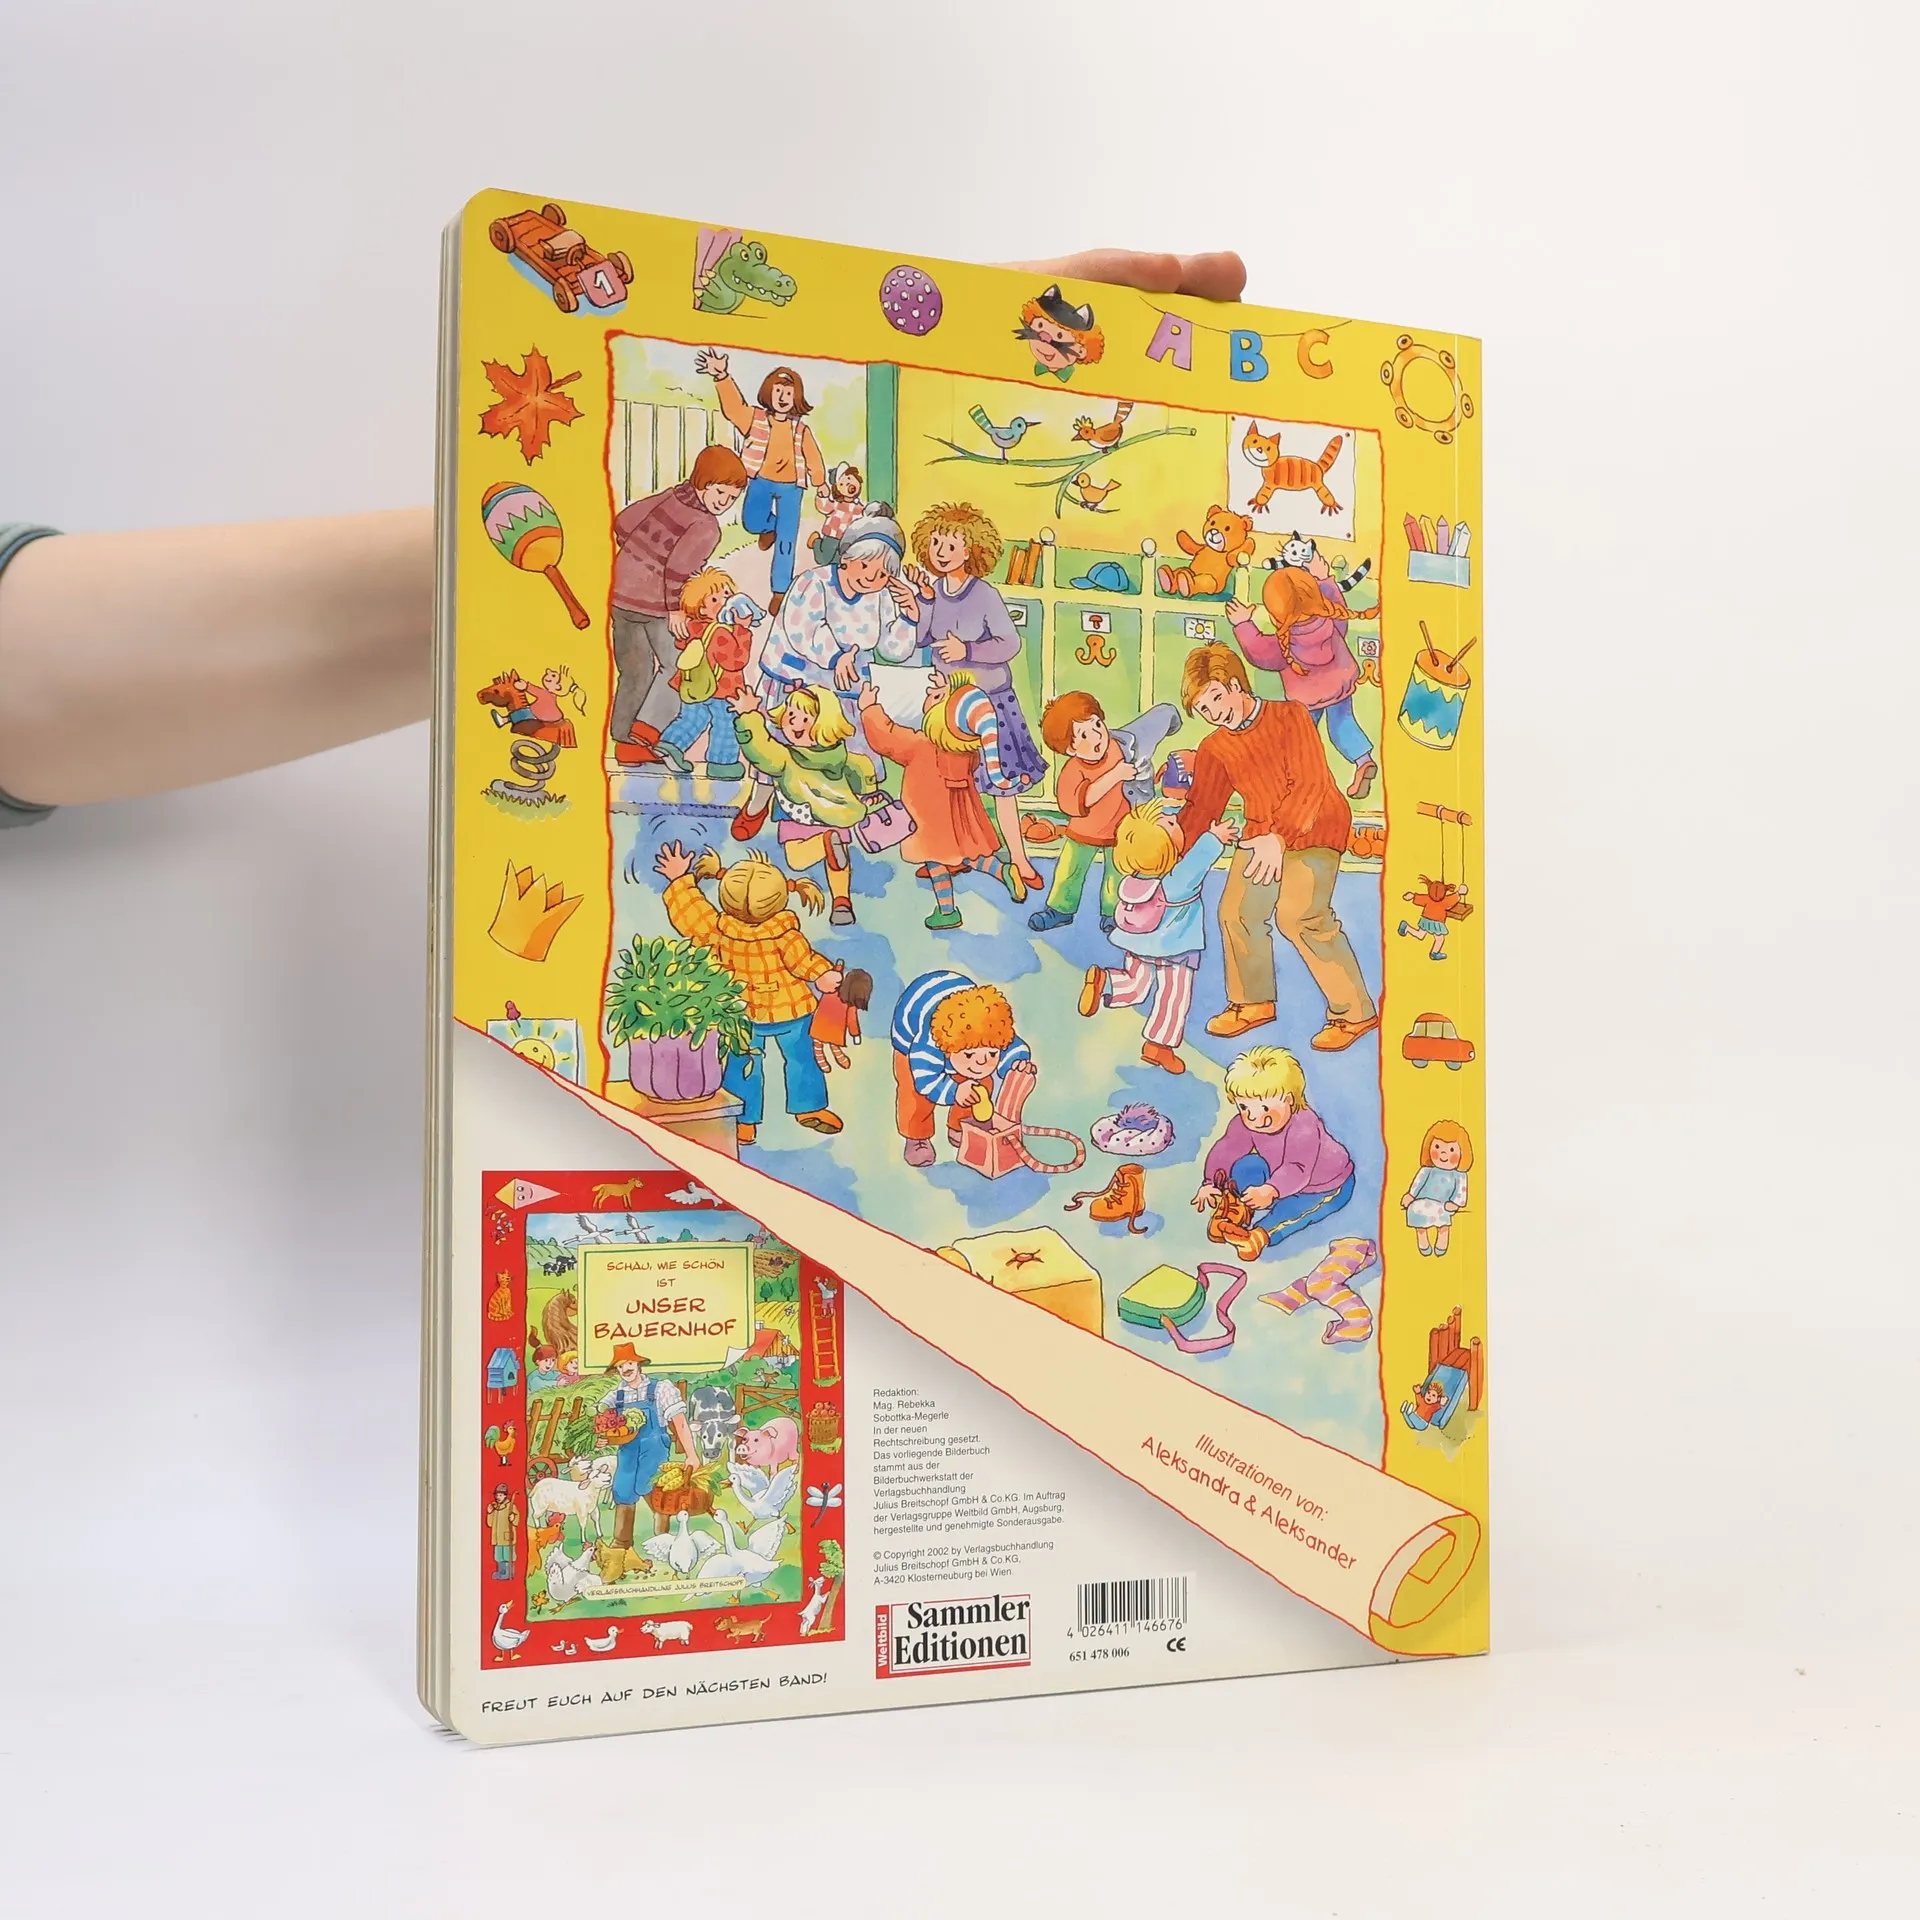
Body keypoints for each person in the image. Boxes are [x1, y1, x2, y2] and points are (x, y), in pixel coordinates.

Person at [0, 249, 1246, 819]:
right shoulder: (716, 510)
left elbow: (36, 679)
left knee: (719, 687)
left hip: (843, 655)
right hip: (746, 636)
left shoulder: (796, 516)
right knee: (685, 687)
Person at [1175, 643, 1379, 1052]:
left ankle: (1354, 1012)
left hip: (1316, 826)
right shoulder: (1215, 747)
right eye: (1203, 708)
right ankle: (1253, 1003)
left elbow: (1309, 784)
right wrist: (1170, 847)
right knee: (1236, 911)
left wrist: (1279, 837)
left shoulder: (1291, 716)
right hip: (1261, 832)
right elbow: (1202, 808)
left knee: (1299, 916)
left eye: (1215, 698)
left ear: (1235, 685)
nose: (1213, 712)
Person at [736, 512, 922, 841]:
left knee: (845, 758)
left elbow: (893, 649)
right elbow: (803, 629)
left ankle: (840, 821)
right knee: (779, 749)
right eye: (865, 565)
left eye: (882, 573)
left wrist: (908, 617)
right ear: (846, 557)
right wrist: (835, 656)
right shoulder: (814, 582)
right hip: (795, 681)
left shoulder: (882, 598)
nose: (871, 577)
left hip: (843, 691)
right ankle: (758, 803)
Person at [651, 842, 845, 1144]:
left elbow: (691, 916)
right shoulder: (785, 934)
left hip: (741, 1012)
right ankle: (808, 1108)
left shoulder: (716, 930)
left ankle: (744, 1119)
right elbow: (803, 961)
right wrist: (824, 975)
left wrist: (679, 880)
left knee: (742, 1065)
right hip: (791, 1008)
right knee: (801, 1058)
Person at [906, 502, 1046, 891]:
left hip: (991, 704)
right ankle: (950, 853)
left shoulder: (984, 594)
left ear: (970, 551)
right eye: (936, 543)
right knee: (951, 784)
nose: (940, 552)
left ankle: (1020, 861)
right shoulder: (934, 590)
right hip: (947, 706)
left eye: (951, 546)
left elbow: (1010, 643)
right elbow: (920, 638)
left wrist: (966, 650)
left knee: (1002, 787)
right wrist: (923, 601)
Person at [607, 445, 749, 766]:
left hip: (622, 594)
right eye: (720, 493)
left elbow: (623, 522)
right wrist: (676, 609)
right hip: (657, 605)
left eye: (731, 499)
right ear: (702, 482)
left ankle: (624, 741)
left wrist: (638, 556)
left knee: (635, 671)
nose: (724, 503)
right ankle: (644, 735)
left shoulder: (671, 497)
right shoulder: (706, 527)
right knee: (679, 668)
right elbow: (677, 571)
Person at [1078, 800, 1238, 1073]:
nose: (1177, 822)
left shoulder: (1134, 879)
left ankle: (1107, 982)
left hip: (1137, 944)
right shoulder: (1176, 883)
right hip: (1175, 949)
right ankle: (1159, 1047)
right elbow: (1196, 863)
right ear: (1163, 847)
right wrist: (1215, 837)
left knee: (1137, 984)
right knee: (1173, 997)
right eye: (1171, 824)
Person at [857, 672, 1025, 928]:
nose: (928, 694)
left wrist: (869, 708)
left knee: (936, 861)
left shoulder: (919, 744)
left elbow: (887, 737)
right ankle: (1002, 871)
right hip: (959, 815)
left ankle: (947, 911)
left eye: (937, 697)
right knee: (965, 854)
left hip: (929, 818)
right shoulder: (965, 747)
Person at [732, 683, 878, 926]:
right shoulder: (839, 754)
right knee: (838, 864)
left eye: (804, 718)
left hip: (798, 812)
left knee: (797, 859)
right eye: (791, 714)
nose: (793, 722)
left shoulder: (786, 757)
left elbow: (760, 750)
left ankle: (824, 844)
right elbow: (859, 767)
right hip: (835, 814)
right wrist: (869, 791)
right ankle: (842, 902)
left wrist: (748, 715)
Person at [1191, 1045, 1355, 1258]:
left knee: (1293, 1210)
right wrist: (1210, 1182)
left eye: (1265, 1108)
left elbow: (1297, 1169)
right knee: (1245, 1166)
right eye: (1244, 1107)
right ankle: (1237, 1207)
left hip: (1324, 1186)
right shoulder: (1245, 1123)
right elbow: (1227, 1148)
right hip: (1277, 1173)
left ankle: (1258, 1236)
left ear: (1289, 1100)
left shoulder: (1305, 1125)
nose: (1253, 1117)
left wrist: (1270, 1190)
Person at [694, 350, 826, 604]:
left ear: (796, 397)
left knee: (787, 540)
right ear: (769, 392)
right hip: (759, 480)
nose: (783, 397)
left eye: (789, 393)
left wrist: (819, 483)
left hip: (791, 488)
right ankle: (769, 528)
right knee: (752, 522)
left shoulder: (800, 429)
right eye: (778, 391)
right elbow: (734, 409)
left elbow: (813, 456)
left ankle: (780, 591)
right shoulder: (755, 418)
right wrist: (722, 376)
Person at [888, 970, 1035, 1168]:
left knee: (980, 1083)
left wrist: (1016, 1063)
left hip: (962, 1010)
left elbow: (1011, 1045)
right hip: (908, 1039)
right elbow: (926, 1082)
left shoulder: (992, 1028)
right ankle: (917, 1137)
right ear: (949, 1050)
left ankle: (962, 1125)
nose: (982, 1063)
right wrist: (955, 1091)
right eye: (970, 1056)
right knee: (915, 1093)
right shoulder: (928, 1046)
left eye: (992, 1054)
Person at [1028, 689, 1132, 933]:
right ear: (1070, 749)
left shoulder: (1118, 748)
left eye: (1097, 724)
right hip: (1083, 832)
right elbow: (1082, 800)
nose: (1096, 735)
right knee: (1070, 871)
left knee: (1117, 873)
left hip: (1120, 828)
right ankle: (1060, 910)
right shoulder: (1073, 770)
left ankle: (1113, 913)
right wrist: (1115, 775)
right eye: (1084, 734)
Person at [598, 1342, 702, 1556]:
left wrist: (692, 1454)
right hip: (628, 1452)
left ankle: (662, 1544)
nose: (625, 1369)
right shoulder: (617, 1395)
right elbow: (604, 1422)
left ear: (638, 1364)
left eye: (629, 1363)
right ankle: (621, 1544)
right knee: (623, 1490)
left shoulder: (661, 1389)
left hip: (654, 1450)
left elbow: (680, 1422)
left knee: (658, 1493)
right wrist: (604, 1438)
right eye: (620, 1366)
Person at [656, 568, 753, 776]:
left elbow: (681, 643)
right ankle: (722, 765)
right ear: (702, 609)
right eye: (715, 600)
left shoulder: (694, 627)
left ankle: (670, 744)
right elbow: (736, 661)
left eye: (727, 595)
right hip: (723, 690)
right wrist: (742, 630)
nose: (724, 602)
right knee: (725, 724)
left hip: (694, 686)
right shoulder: (721, 632)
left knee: (691, 719)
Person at [1401, 1119, 1472, 1256]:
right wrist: (1410, 1195)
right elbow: (1417, 1183)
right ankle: (1423, 1241)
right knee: (1418, 1218)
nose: (1443, 1154)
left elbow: (1461, 1192)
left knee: (1443, 1225)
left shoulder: (1459, 1175)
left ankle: (1442, 1243)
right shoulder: (1427, 1170)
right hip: (1422, 1202)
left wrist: (1456, 1204)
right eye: (1438, 1147)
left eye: (1451, 1149)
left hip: (1443, 1205)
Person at [810, 463, 868, 566]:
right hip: (832, 535)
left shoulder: (860, 508)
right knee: (823, 559)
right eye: (842, 484)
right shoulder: (836, 504)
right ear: (837, 489)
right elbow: (823, 507)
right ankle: (815, 541)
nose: (848, 484)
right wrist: (821, 496)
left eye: (849, 478)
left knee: (839, 561)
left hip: (848, 539)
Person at [486, 1485, 519, 1581]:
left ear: (505, 1496)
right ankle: (501, 1572)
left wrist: (513, 1518)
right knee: (499, 1556)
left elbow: (517, 1519)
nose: (498, 1497)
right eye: (497, 1495)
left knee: (507, 1555)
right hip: (497, 1537)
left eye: (500, 1495)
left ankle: (508, 1573)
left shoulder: (511, 1506)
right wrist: (490, 1512)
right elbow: (490, 1523)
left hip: (507, 1537)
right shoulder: (495, 1507)